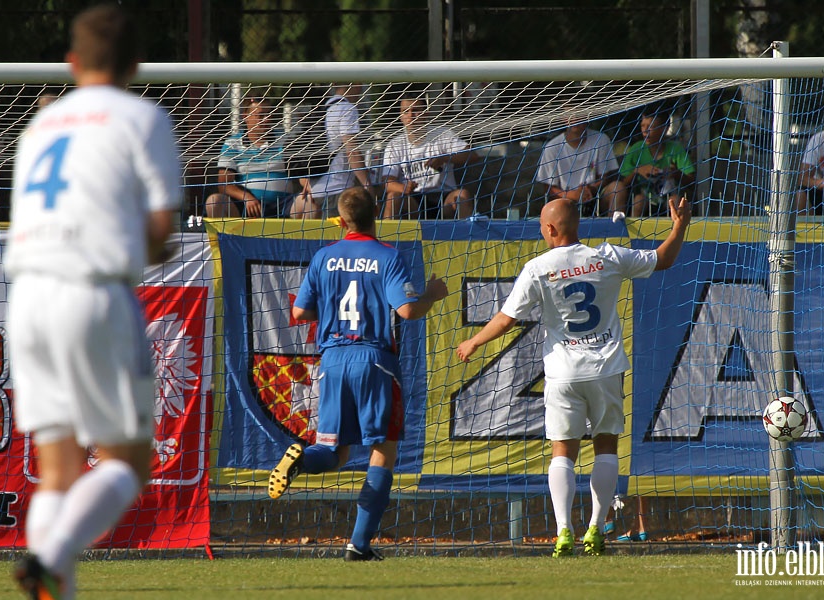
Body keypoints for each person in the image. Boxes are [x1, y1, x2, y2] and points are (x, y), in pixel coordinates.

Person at [5, 5, 181, 599]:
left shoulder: (40, 126)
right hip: (92, 292)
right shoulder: (140, 117)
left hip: (26, 297)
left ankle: (52, 580)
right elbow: (160, 226)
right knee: (125, 464)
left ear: (70, 63)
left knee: (57, 474)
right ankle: (48, 554)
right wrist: (148, 240)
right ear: (135, 64)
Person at [456, 195, 691, 557]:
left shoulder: (538, 267)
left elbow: (506, 320)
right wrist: (679, 226)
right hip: (606, 368)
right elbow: (663, 258)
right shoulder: (608, 257)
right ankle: (596, 529)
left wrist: (473, 340)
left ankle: (563, 530)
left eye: (541, 228)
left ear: (550, 229)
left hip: (563, 372)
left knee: (562, 452)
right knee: (606, 445)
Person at [267, 186, 448, 561]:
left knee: (333, 452)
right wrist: (432, 293)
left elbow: (300, 313)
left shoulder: (324, 256)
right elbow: (407, 312)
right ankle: (358, 545)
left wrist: (332, 314)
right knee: (382, 452)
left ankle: (300, 457)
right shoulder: (388, 256)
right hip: (374, 361)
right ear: (375, 213)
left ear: (341, 219)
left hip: (332, 360)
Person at [381, 94, 478, 219]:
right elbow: (388, 182)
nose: (411, 115)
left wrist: (444, 158)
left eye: (415, 110)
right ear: (400, 116)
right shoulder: (394, 145)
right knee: (393, 197)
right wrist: (403, 187)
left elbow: (472, 155)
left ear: (426, 113)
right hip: (414, 199)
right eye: (406, 111)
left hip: (444, 197)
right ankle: (385, 237)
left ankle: (465, 236)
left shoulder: (442, 134)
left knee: (462, 195)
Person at [292, 83, 373, 219]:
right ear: (356, 84)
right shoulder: (347, 109)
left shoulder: (322, 108)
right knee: (337, 238)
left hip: (315, 191)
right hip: (337, 191)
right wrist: (367, 185)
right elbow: (352, 151)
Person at [205, 96, 294, 218]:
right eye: (261, 115)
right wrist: (247, 198)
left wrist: (307, 186)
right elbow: (224, 184)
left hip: (284, 205)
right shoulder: (232, 144)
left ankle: (305, 237)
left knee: (308, 202)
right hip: (245, 207)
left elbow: (301, 171)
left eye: (269, 114)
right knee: (214, 201)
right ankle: (226, 237)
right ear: (245, 116)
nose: (266, 119)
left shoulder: (285, 140)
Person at [535, 114, 627, 217]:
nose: (575, 119)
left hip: (595, 198)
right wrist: (573, 195)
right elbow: (549, 188)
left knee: (618, 187)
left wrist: (591, 189)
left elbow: (606, 177)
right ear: (564, 118)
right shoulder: (552, 147)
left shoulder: (601, 139)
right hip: (564, 202)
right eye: (571, 114)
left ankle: (614, 230)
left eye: (580, 114)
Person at [619, 104, 695, 217]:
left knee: (675, 201)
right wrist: (637, 171)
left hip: (668, 196)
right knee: (638, 200)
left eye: (650, 127)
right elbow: (622, 183)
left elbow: (692, 180)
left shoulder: (675, 149)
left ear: (664, 128)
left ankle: (676, 230)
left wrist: (676, 174)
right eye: (642, 126)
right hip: (645, 197)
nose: (645, 131)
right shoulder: (636, 149)